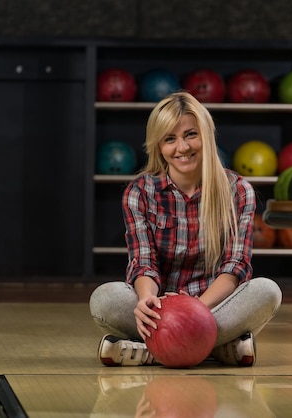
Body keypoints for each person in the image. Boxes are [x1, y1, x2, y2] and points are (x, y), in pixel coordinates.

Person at [89, 91, 282, 367]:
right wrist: (146, 300)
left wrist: (194, 313)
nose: (182, 147)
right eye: (170, 139)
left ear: (206, 135)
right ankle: (218, 350)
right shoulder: (139, 192)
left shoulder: (238, 191)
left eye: (191, 134)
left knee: (267, 291)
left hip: (213, 306)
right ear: (159, 146)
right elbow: (144, 263)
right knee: (104, 299)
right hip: (160, 310)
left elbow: (235, 267)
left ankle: (150, 353)